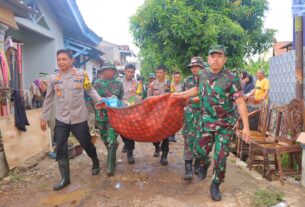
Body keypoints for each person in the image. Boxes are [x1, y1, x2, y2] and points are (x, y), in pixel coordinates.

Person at [173, 45, 250, 201]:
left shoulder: (231, 78)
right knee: (198, 152)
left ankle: (215, 184)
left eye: (219, 56)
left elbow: (241, 102)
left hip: (225, 126)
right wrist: (179, 95)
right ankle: (204, 162)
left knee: (221, 158)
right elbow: (197, 89)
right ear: (208, 59)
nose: (215, 59)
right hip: (206, 122)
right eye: (212, 56)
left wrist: (246, 127)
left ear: (224, 59)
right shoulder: (202, 74)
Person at [40, 49, 101, 191]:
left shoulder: (81, 75)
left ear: (71, 60)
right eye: (59, 59)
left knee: (86, 143)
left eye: (64, 59)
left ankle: (95, 161)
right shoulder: (53, 78)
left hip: (79, 117)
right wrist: (44, 117)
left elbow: (90, 90)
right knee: (60, 146)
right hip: (61, 118)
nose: (61, 62)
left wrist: (100, 102)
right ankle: (65, 178)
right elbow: (48, 98)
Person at [93, 63, 124, 175]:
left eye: (112, 70)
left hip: (114, 116)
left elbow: (121, 98)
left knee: (112, 138)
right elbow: (93, 99)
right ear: (103, 71)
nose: (110, 72)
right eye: (108, 70)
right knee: (105, 138)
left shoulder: (119, 83)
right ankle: (113, 153)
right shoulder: (97, 83)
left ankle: (110, 166)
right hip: (101, 115)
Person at [181, 57, 205, 180]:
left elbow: (205, 98)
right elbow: (181, 98)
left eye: (197, 66)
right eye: (193, 67)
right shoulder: (186, 81)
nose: (194, 69)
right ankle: (188, 168)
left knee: (201, 141)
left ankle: (197, 165)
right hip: (189, 115)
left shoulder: (207, 80)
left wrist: (190, 99)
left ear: (202, 67)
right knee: (188, 140)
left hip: (202, 115)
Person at [147, 65, 171, 165]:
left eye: (161, 72)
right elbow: (148, 99)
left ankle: (164, 155)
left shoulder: (170, 84)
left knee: (166, 135)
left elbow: (175, 95)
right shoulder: (152, 85)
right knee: (154, 134)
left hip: (167, 113)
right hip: (155, 114)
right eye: (157, 72)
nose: (159, 74)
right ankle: (157, 146)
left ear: (165, 72)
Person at [121, 64, 142, 164]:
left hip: (132, 111)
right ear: (125, 71)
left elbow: (140, 96)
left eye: (132, 72)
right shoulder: (119, 82)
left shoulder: (137, 83)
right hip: (120, 110)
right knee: (121, 130)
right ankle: (125, 143)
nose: (130, 74)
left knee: (130, 131)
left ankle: (130, 153)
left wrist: (136, 100)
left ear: (134, 73)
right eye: (128, 71)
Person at [169, 71, 184, 142]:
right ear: (173, 77)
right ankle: (168, 136)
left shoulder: (182, 86)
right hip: (170, 106)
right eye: (176, 77)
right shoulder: (170, 85)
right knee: (169, 121)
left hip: (179, 106)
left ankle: (173, 136)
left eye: (178, 77)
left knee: (176, 122)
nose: (177, 79)